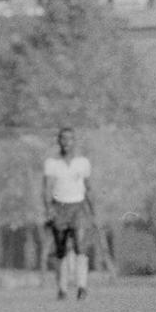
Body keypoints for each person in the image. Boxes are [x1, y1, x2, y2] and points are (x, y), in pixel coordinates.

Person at [43, 127, 94, 301]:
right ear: (58, 141)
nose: (66, 142)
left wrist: (92, 211)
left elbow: (88, 188)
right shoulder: (52, 163)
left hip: (78, 207)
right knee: (61, 250)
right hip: (59, 208)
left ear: (74, 141)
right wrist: (49, 209)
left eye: (70, 139)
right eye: (63, 139)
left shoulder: (83, 163)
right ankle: (62, 288)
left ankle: (82, 286)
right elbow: (47, 188)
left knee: (80, 246)